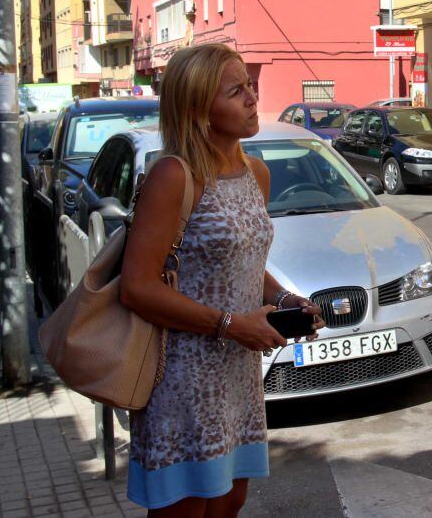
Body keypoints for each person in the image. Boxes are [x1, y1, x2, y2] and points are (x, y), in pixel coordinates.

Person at [120, 43, 325, 516]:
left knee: (230, 504)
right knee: (189, 509)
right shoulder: (174, 175)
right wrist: (230, 324)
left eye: (250, 86)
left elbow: (246, 263)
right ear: (197, 109)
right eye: (236, 92)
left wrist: (289, 299)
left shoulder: (256, 172)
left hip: (238, 377)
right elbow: (139, 286)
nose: (252, 98)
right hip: (181, 381)